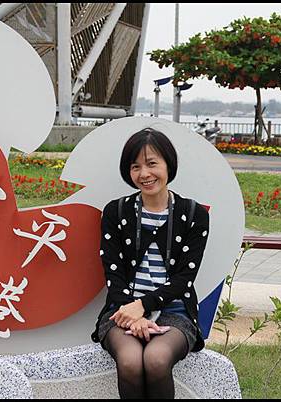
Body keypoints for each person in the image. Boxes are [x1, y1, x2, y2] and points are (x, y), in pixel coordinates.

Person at [90, 127, 210, 399]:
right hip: (122, 309)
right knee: (130, 361)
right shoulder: (116, 211)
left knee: (156, 359)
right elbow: (113, 273)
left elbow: (184, 279)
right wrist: (133, 314)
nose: (144, 174)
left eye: (152, 163)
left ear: (169, 164)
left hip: (175, 310)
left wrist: (143, 306)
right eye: (136, 167)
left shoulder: (194, 214)